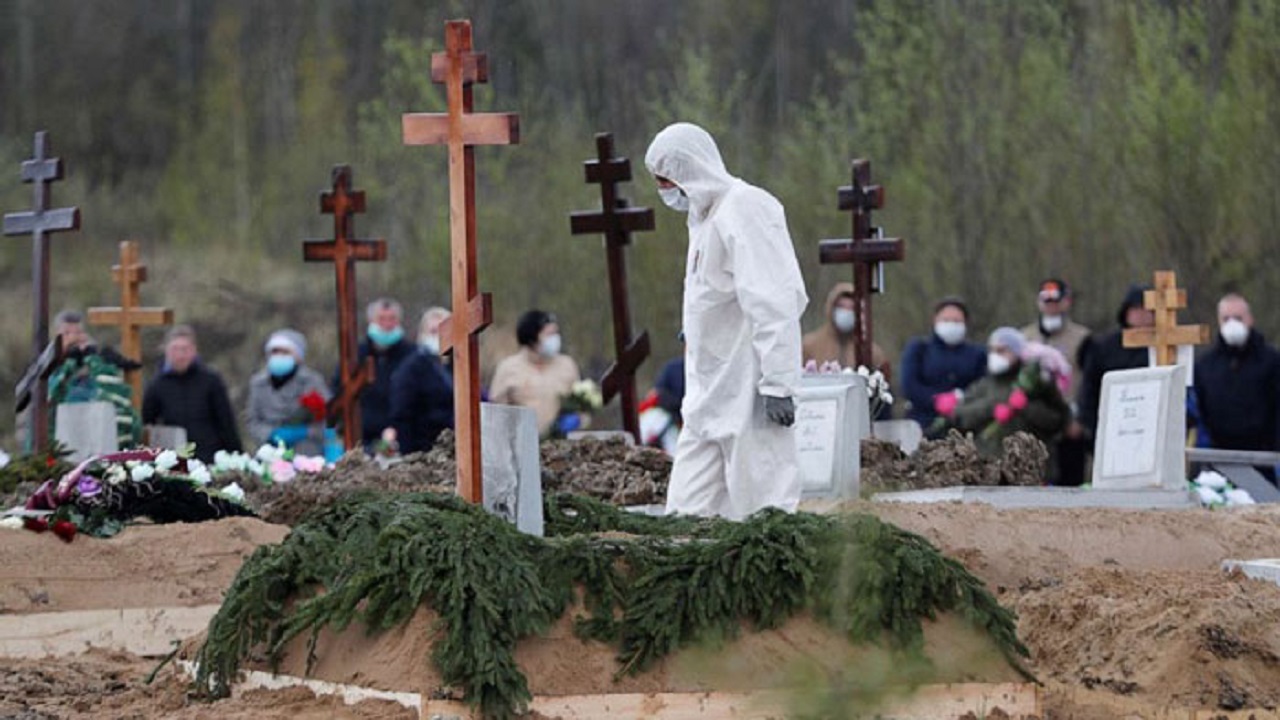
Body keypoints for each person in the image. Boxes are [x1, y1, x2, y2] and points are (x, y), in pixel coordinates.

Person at [645, 121, 808, 520]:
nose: (664, 190)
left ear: (688, 169)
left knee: (763, 505)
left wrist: (779, 382)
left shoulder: (746, 207)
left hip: (748, 387)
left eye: (666, 179)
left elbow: (774, 300)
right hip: (707, 393)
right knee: (686, 513)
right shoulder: (704, 219)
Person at [937, 327, 1071, 459]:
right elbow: (960, 417)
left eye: (1002, 350)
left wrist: (1027, 407)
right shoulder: (984, 385)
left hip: (1029, 465)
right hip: (988, 464)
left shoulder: (1038, 385)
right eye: (992, 350)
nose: (995, 355)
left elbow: (1058, 421)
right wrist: (991, 408)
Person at [1020, 279, 1092, 485]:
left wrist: (1081, 418)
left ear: (1066, 302)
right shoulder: (1025, 337)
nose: (1051, 306)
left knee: (1070, 479)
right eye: (1047, 301)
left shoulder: (1082, 338)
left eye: (1056, 301)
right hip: (1034, 421)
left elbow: (1088, 379)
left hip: (1069, 421)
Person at [1193, 294, 1280, 458]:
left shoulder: (1272, 361)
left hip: (1264, 456)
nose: (1232, 324)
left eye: (1238, 318)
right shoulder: (1205, 365)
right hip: (1218, 457)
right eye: (1226, 319)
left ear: (1250, 319)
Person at [142, 325, 241, 462]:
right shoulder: (156, 385)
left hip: (209, 456)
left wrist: (236, 455)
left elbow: (226, 421)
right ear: (166, 351)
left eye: (185, 349)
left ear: (194, 351)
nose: (180, 355)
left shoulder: (211, 380)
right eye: (175, 349)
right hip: (174, 458)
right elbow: (147, 423)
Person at [47, 310, 142, 448]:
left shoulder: (101, 369)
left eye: (78, 333)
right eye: (67, 333)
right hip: (61, 445)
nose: (74, 338)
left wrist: (94, 361)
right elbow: (49, 402)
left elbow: (121, 409)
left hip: (100, 443)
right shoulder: (48, 370)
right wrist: (69, 365)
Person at [334, 298, 416, 449]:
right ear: (371, 320)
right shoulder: (354, 355)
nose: (387, 324)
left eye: (392, 319)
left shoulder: (413, 356)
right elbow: (339, 391)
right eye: (381, 319)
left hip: (404, 438)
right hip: (362, 437)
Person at [1075, 285, 1153, 443]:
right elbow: (1090, 389)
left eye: (1148, 310)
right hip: (1113, 427)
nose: (1142, 315)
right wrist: (1092, 427)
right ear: (1126, 312)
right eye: (1137, 309)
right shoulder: (1103, 347)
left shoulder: (1166, 346)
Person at [899, 297, 986, 431]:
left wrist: (961, 398)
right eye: (945, 320)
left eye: (957, 321)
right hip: (922, 424)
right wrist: (935, 400)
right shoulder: (919, 348)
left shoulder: (978, 354)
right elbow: (909, 385)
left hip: (964, 425)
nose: (951, 324)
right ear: (935, 321)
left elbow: (983, 385)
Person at [489, 309, 581, 436]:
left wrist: (578, 419)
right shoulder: (508, 368)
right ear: (532, 338)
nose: (555, 339)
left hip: (561, 445)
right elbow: (495, 413)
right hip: (521, 443)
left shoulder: (567, 365)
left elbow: (583, 405)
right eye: (549, 334)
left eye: (556, 333)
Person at [245, 329, 331, 447]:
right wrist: (270, 434)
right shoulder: (258, 383)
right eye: (275, 352)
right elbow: (252, 421)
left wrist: (304, 432)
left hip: (307, 454)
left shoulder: (312, 381)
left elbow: (328, 418)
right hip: (270, 453)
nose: (279, 356)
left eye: (285, 352)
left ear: (298, 356)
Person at [388, 307, 455, 454]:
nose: (438, 336)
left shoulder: (456, 365)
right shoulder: (411, 369)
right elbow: (402, 413)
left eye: (442, 331)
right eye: (433, 332)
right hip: (425, 448)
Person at [802, 282, 892, 379]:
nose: (846, 312)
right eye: (841, 307)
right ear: (831, 309)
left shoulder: (871, 352)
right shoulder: (809, 346)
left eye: (851, 308)